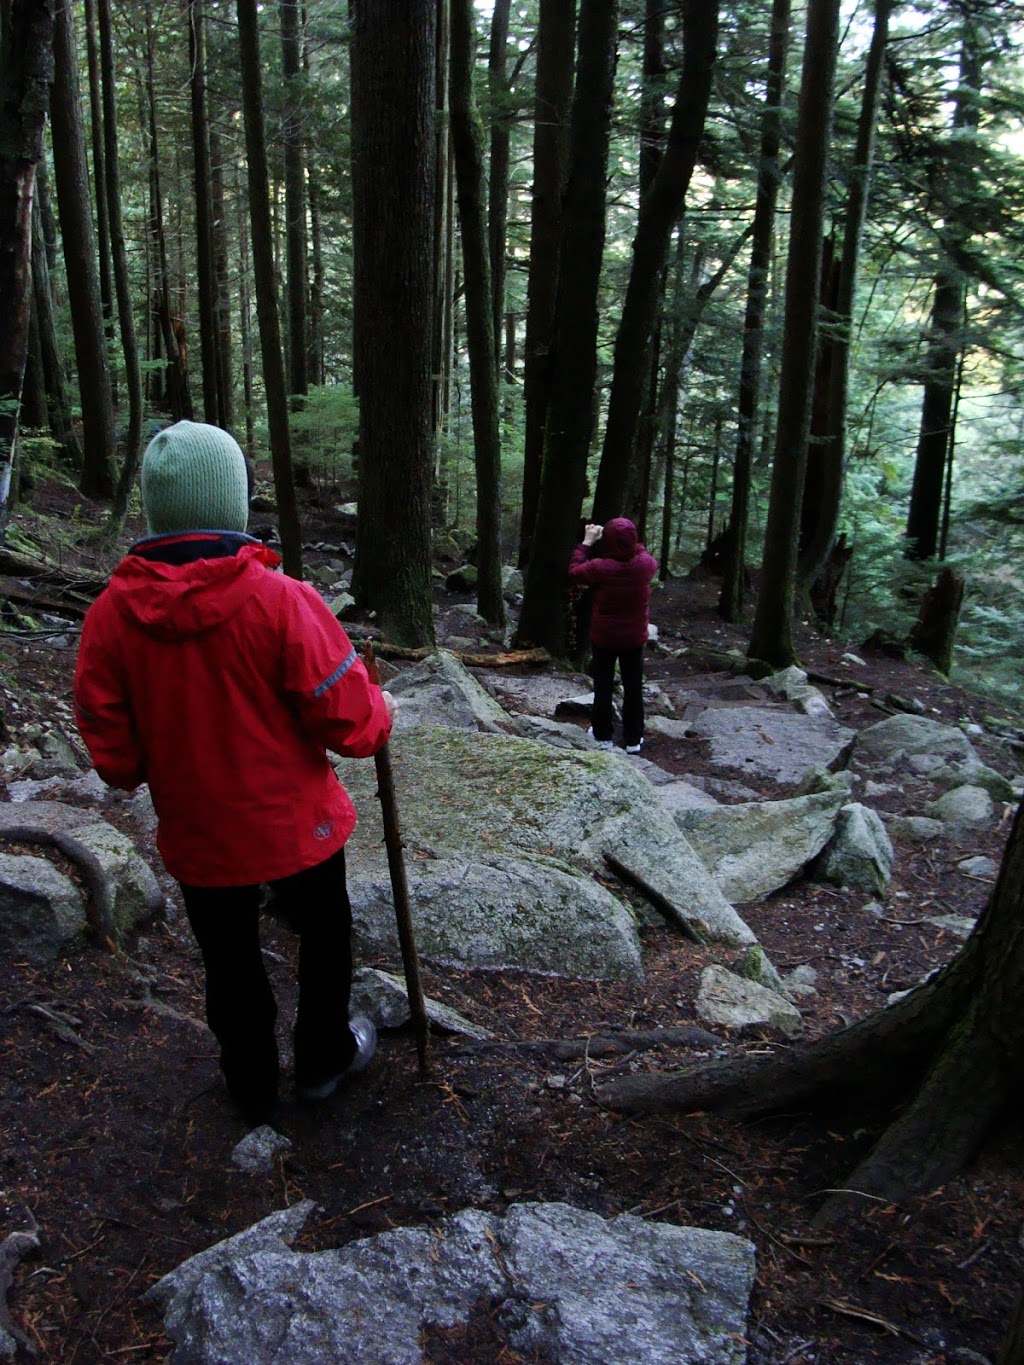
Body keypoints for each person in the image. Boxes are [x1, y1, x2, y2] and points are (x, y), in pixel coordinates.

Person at [73, 420, 396, 1127]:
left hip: (199, 833)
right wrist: (382, 708)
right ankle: (321, 1060)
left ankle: (249, 1084)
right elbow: (352, 724)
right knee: (325, 934)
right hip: (298, 827)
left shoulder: (110, 617)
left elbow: (116, 758)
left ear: (157, 510)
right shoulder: (284, 600)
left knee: (228, 961)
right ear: (234, 501)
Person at [568, 517, 657, 754]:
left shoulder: (600, 567)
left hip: (604, 637)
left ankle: (602, 736)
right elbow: (640, 551)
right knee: (633, 686)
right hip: (634, 638)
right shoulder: (645, 565)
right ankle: (633, 739)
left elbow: (575, 572)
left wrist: (587, 542)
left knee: (603, 685)